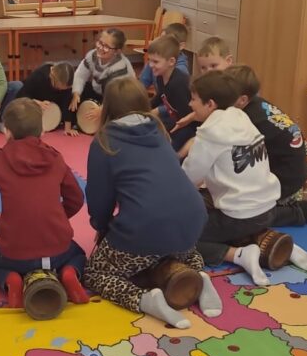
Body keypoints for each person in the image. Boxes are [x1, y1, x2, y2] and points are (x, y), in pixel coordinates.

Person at [83, 76, 219, 329]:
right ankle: (199, 276)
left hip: (145, 227)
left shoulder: (104, 141)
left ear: (108, 106)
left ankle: (145, 300)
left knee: (95, 272)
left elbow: (99, 198)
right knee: (175, 247)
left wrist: (102, 227)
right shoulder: (158, 130)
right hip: (192, 219)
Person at [182, 71, 307, 285]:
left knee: (180, 234)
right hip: (268, 209)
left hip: (241, 215)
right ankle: (273, 242)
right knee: (210, 206)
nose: (190, 104)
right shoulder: (240, 116)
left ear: (210, 104)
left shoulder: (210, 132)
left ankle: (238, 255)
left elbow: (188, 179)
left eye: (194, 99)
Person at [0, 98, 88, 307]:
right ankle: (70, 272)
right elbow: (76, 199)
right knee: (79, 254)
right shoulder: (56, 158)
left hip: (15, 254)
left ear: (7, 132)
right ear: (42, 131)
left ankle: (9, 280)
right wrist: (57, 219)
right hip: (58, 252)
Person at [225, 65, 307, 225]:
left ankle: (298, 212)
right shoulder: (257, 103)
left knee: (245, 215)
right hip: (296, 171)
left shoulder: (248, 119)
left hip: (288, 184)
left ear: (242, 99)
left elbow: (238, 159)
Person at [69, 29, 134, 131]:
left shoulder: (120, 66)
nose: (100, 48)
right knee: (74, 91)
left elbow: (114, 94)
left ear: (117, 51)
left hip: (119, 98)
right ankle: (74, 121)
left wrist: (102, 109)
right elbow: (80, 75)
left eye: (106, 46)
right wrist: (76, 93)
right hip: (101, 92)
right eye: (100, 43)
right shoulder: (92, 55)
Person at [148, 35, 196, 151]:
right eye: (150, 60)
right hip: (176, 120)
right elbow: (160, 96)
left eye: (155, 61)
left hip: (189, 126)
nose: (150, 65)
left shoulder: (179, 84)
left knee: (167, 149)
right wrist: (144, 108)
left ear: (171, 62)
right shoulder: (160, 76)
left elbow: (187, 116)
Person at [18, 61, 77, 134]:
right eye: (58, 87)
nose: (61, 90)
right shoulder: (39, 76)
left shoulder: (66, 85)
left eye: (63, 89)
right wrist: (37, 103)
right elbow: (21, 95)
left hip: (52, 110)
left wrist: (68, 128)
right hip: (34, 105)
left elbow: (67, 102)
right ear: (52, 76)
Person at [139, 21, 191, 89]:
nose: (161, 44)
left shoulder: (181, 71)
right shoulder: (153, 61)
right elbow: (142, 84)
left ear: (181, 46)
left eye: (167, 42)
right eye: (161, 39)